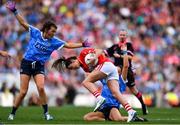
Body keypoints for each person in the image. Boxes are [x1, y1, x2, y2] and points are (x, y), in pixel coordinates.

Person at [5, 1, 91, 121]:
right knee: (23, 92)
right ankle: (13, 113)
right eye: (52, 31)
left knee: (41, 88)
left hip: (39, 65)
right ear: (46, 30)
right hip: (26, 63)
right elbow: (23, 23)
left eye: (55, 32)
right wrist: (15, 11)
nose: (54, 33)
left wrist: (82, 44)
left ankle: (46, 113)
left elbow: (68, 45)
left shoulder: (54, 41)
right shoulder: (36, 33)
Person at [52, 48, 137, 122]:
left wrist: (94, 58)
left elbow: (100, 51)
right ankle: (130, 111)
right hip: (110, 70)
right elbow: (95, 74)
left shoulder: (83, 53)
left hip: (105, 65)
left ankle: (99, 98)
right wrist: (89, 74)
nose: (73, 69)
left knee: (85, 82)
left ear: (73, 60)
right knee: (115, 93)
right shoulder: (84, 67)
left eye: (72, 67)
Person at [83, 50, 147, 122]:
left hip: (112, 106)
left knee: (118, 119)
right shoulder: (107, 78)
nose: (116, 69)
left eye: (118, 69)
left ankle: (136, 118)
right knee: (86, 117)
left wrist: (124, 53)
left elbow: (125, 66)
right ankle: (106, 119)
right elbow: (97, 74)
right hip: (104, 106)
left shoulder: (122, 79)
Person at [104, 29, 148, 115]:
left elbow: (131, 57)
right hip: (117, 71)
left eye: (124, 35)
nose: (122, 36)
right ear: (118, 36)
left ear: (126, 36)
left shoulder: (129, 45)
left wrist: (120, 56)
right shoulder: (114, 47)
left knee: (134, 90)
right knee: (116, 89)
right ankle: (114, 109)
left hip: (127, 71)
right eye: (121, 35)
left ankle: (143, 104)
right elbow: (105, 53)